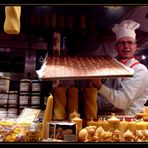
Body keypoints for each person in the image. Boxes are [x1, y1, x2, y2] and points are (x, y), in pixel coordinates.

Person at [90, 19, 148, 116]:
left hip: (129, 122)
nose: (126, 46)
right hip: (105, 119)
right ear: (116, 47)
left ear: (135, 46)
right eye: (122, 43)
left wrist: (99, 86)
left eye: (130, 42)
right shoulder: (111, 66)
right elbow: (100, 102)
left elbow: (122, 102)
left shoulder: (140, 70)